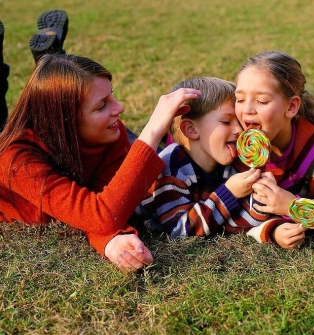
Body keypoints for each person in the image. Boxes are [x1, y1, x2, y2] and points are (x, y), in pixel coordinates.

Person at [0, 53, 201, 271]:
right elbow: (99, 214)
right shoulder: (16, 160)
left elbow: (104, 203)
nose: (119, 108)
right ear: (65, 120)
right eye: (101, 106)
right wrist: (152, 131)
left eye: (112, 97)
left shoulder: (110, 134)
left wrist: (111, 240)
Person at [135, 77, 288, 240]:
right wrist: (229, 194)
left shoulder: (229, 165)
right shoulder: (170, 168)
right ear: (191, 129)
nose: (239, 130)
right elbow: (181, 231)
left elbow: (228, 223)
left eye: (239, 121)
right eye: (226, 121)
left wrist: (260, 202)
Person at [234, 51, 314, 249]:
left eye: (262, 101)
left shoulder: (313, 146)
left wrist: (291, 206)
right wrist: (272, 230)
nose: (247, 109)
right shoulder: (234, 142)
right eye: (240, 99)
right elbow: (231, 214)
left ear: (291, 106)